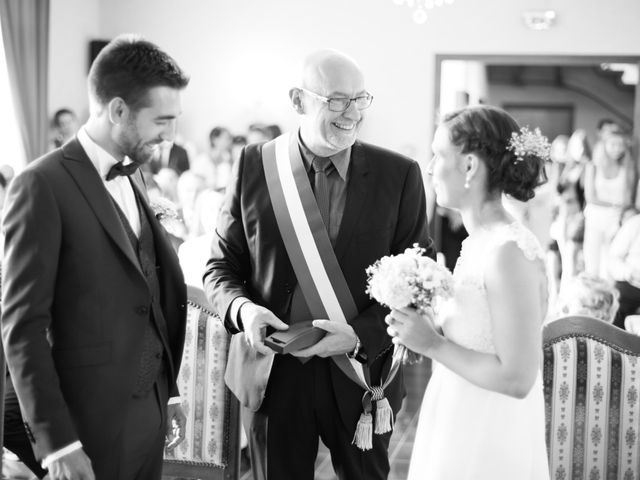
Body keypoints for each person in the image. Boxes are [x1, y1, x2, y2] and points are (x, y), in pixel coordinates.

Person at [203, 49, 432, 480]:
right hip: (274, 373)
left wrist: (359, 335)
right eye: (337, 100)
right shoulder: (255, 165)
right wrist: (243, 310)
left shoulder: (399, 175)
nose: (352, 113)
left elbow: (418, 282)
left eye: (360, 99)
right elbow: (220, 268)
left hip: (362, 375)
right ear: (297, 100)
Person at [1, 34, 190, 480]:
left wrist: (171, 393)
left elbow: (147, 290)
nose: (170, 135)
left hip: (150, 409)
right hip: (86, 423)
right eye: (161, 120)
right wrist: (57, 443)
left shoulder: (136, 173)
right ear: (118, 109)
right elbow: (22, 327)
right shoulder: (41, 185)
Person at [386, 105, 550, 479]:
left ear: (470, 166)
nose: (429, 167)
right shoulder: (478, 242)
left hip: (489, 431)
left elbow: (517, 378)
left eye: (439, 155)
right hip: (457, 410)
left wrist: (432, 344)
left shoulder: (508, 253)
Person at [607, 209, 640, 328]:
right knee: (614, 309)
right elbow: (613, 258)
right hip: (630, 284)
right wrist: (629, 273)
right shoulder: (635, 223)